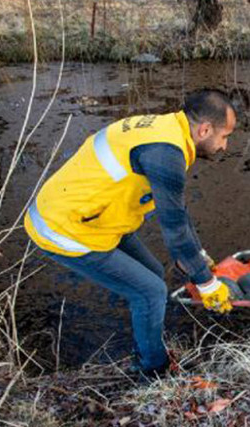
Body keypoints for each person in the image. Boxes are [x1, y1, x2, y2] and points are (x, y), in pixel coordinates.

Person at [24, 89, 237, 377]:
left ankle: (144, 337)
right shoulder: (165, 154)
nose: (224, 146)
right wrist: (207, 283)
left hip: (98, 216)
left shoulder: (169, 131)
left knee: (151, 272)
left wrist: (197, 256)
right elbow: (173, 230)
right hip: (64, 227)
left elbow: (178, 210)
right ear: (205, 129)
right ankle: (153, 369)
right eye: (224, 137)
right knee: (150, 291)